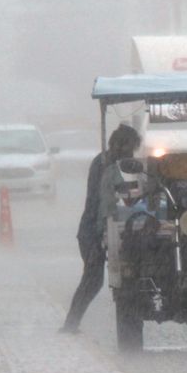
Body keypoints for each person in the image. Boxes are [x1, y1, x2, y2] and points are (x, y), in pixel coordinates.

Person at [59, 124, 141, 334]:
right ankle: (70, 324)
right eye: (128, 148)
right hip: (91, 230)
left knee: (93, 279)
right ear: (116, 145)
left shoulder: (107, 162)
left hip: (96, 228)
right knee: (93, 279)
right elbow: (116, 198)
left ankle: (71, 324)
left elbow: (123, 195)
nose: (129, 153)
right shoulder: (105, 165)